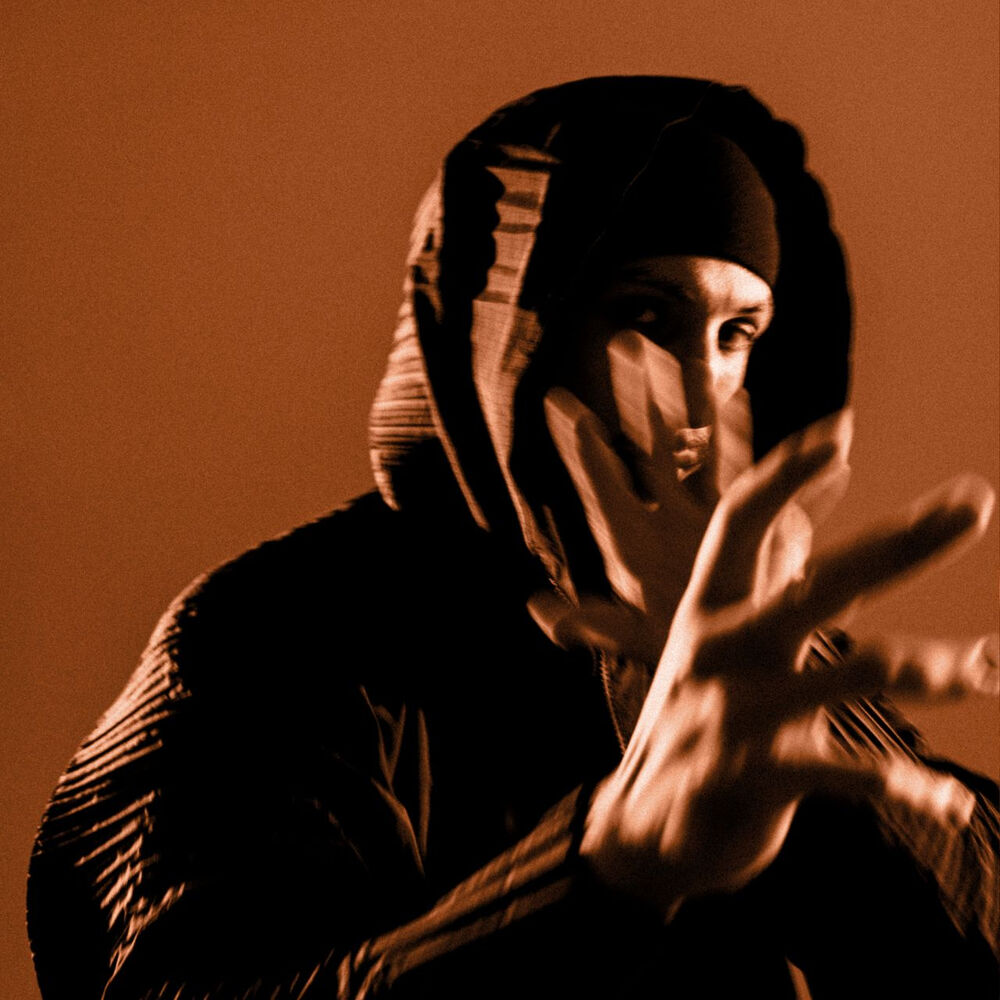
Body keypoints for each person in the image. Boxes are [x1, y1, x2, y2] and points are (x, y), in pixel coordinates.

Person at [27, 76, 998, 998]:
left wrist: (809, 739)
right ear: (507, 334)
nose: (702, 397)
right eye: (644, 316)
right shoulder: (267, 640)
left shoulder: (752, 646)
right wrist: (611, 865)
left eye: (736, 334)